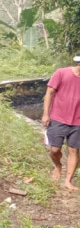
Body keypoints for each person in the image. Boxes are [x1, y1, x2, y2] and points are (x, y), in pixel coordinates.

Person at [41, 55, 80, 191]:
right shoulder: (61, 73)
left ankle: (68, 181)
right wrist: (46, 114)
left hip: (78, 122)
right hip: (58, 117)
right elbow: (49, 93)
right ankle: (58, 165)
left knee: (74, 150)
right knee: (54, 149)